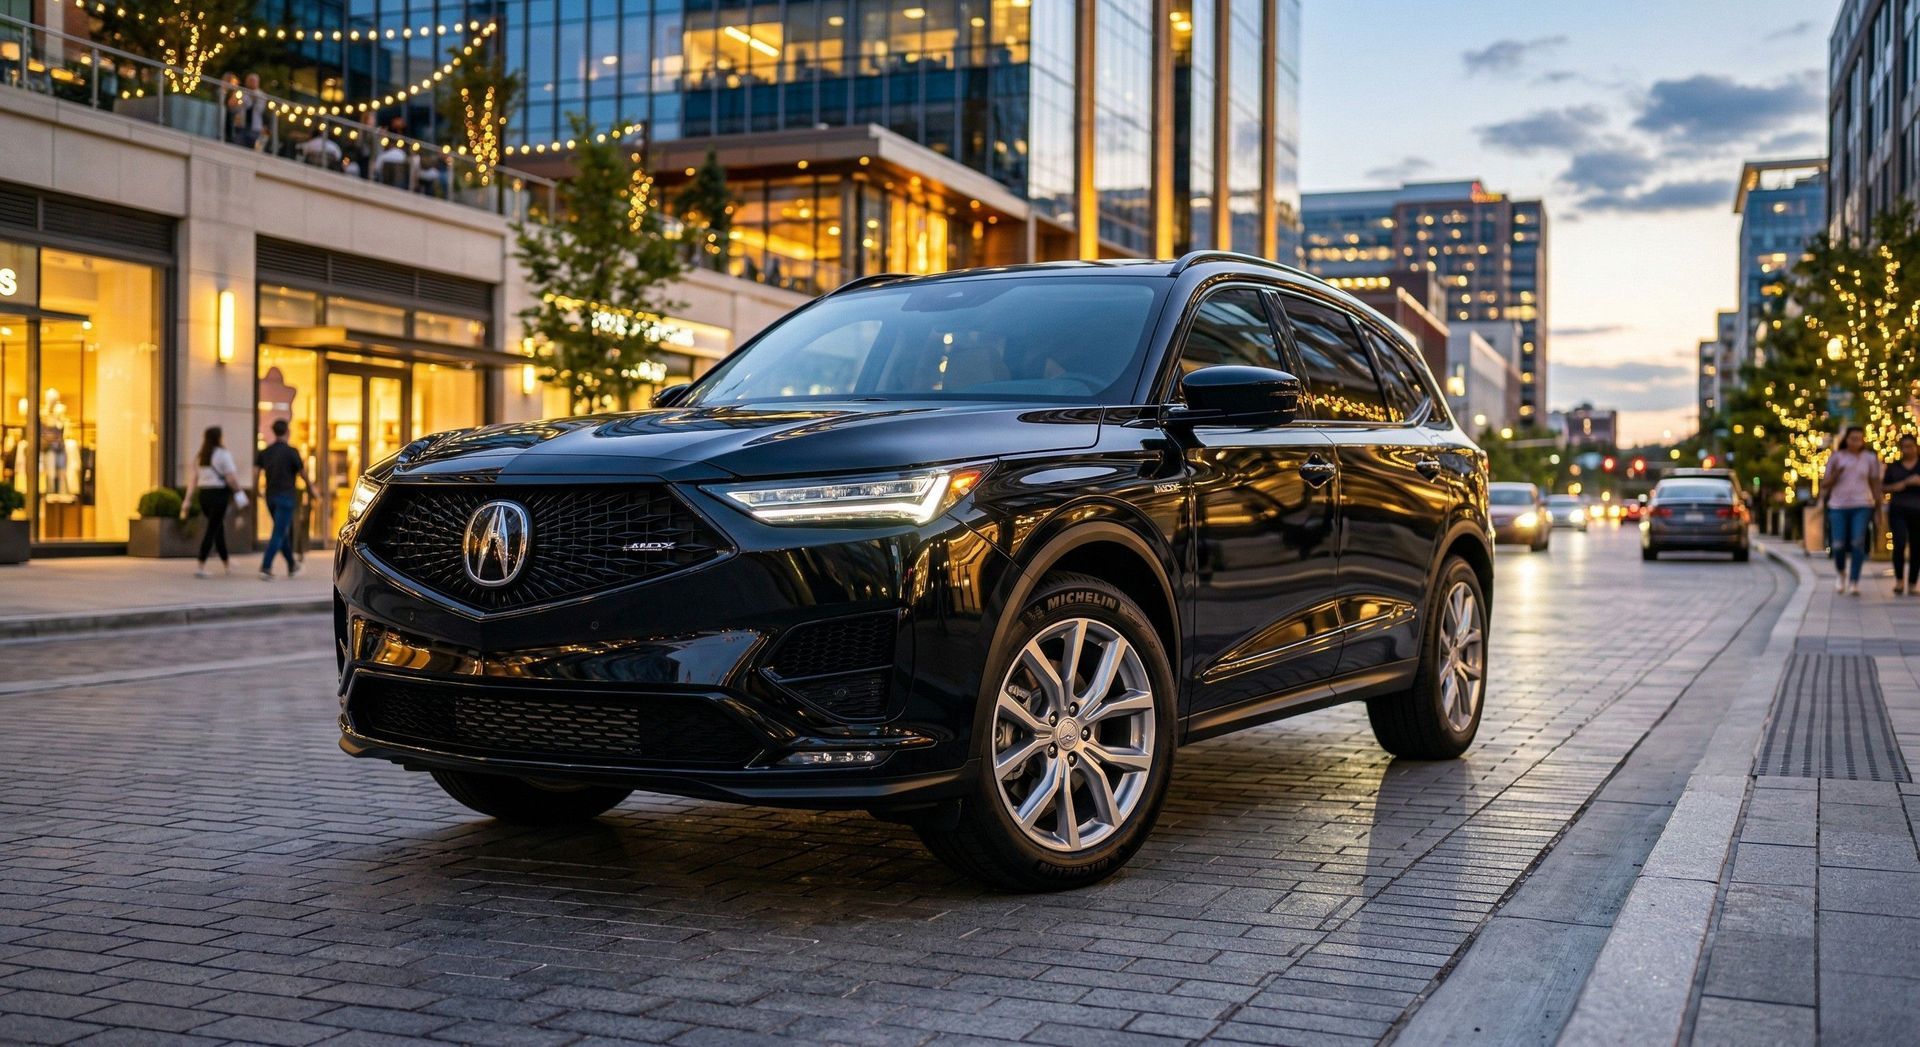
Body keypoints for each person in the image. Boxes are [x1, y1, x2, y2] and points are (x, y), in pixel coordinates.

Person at [1821, 426, 1883, 595]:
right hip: (1838, 506)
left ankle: (1854, 581)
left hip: (1862, 505)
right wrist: (1836, 474)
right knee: (1838, 544)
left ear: (1863, 440)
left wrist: (1878, 509)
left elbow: (1875, 483)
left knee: (1857, 542)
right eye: (1852, 438)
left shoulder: (1870, 458)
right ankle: (1841, 573)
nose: (1855, 442)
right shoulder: (1836, 457)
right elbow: (1824, 484)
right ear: (1846, 440)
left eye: (1859, 438)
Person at [182, 426, 244, 579]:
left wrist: (187, 500)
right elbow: (231, 478)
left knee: (217, 528)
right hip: (218, 494)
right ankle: (201, 563)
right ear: (219, 438)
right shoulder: (223, 455)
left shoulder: (200, 457)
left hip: (204, 495)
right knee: (213, 528)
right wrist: (240, 493)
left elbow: (193, 480)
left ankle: (226, 563)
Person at [255, 419, 309, 581]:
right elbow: (303, 474)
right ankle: (266, 566)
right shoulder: (292, 451)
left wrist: (257, 490)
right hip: (286, 497)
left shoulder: (265, 452)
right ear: (287, 432)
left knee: (281, 531)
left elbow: (256, 473)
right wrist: (313, 490)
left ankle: (292, 565)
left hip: (270, 496)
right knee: (279, 532)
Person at [1885, 433, 1920, 594]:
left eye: (1910, 447)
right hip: (1898, 510)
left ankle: (1913, 582)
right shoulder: (1894, 467)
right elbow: (1883, 487)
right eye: (1904, 447)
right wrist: (1901, 484)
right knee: (1899, 543)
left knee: (1916, 547)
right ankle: (1899, 580)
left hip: (1917, 511)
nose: (1908, 450)